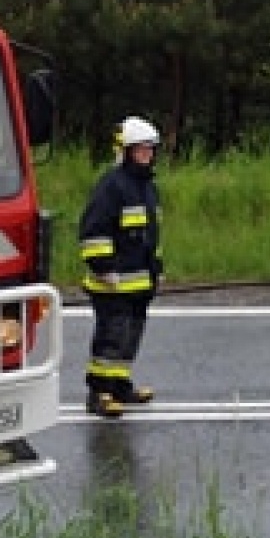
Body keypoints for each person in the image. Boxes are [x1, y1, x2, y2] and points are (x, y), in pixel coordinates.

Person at [78, 115, 164, 418]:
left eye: (150, 150)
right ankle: (98, 393)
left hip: (140, 281)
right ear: (126, 151)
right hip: (111, 282)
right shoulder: (111, 186)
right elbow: (94, 230)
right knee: (111, 337)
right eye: (141, 150)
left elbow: (150, 234)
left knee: (131, 336)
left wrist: (157, 269)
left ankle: (119, 385)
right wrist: (103, 267)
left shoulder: (147, 187)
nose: (147, 155)